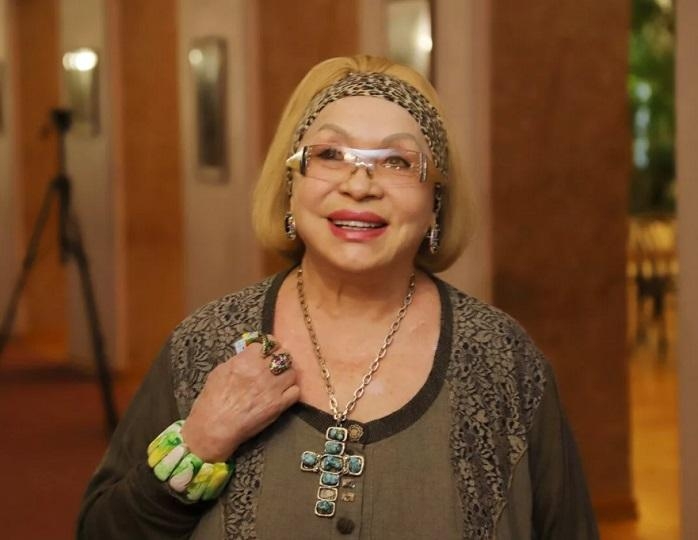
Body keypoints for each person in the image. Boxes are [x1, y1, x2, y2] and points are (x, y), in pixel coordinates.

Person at [78, 54, 599, 539]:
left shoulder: (504, 361)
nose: (360, 184)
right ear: (291, 187)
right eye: (330, 154)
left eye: (396, 162)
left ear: (435, 202)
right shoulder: (205, 344)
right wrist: (198, 444)